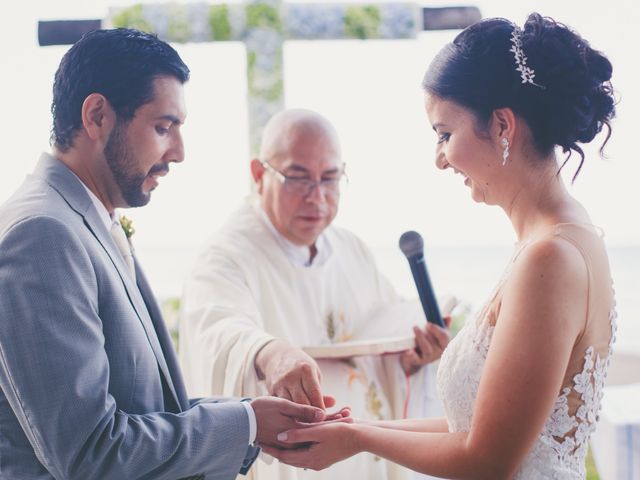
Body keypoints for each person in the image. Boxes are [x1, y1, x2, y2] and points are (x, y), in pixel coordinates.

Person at [261, 13, 618, 479]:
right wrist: (358, 426)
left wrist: (358, 439)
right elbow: (476, 427)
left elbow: (487, 461)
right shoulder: (569, 236)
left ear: (503, 126)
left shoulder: (549, 258)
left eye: (445, 134)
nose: (439, 160)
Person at [0, 28, 335, 480]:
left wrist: (252, 418)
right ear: (97, 116)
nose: (178, 152)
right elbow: (90, 453)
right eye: (163, 128)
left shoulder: (85, 219)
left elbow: (143, 407)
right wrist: (248, 422)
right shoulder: (42, 234)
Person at [179, 108, 451, 480]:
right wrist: (270, 354)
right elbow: (217, 330)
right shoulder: (225, 256)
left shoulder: (350, 249)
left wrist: (413, 358)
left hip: (359, 458)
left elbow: (379, 349)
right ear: (259, 175)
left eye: (330, 179)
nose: (317, 197)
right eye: (298, 178)